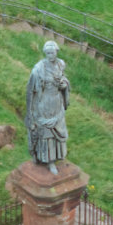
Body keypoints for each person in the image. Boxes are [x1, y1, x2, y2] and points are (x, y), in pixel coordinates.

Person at [25, 40, 69, 174]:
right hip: (44, 105)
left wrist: (64, 85)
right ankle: (49, 163)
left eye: (53, 52)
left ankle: (56, 157)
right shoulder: (38, 69)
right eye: (48, 53)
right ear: (45, 53)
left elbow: (64, 79)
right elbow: (30, 90)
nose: (50, 55)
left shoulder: (61, 65)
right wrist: (30, 112)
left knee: (58, 131)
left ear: (57, 52)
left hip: (57, 102)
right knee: (46, 134)